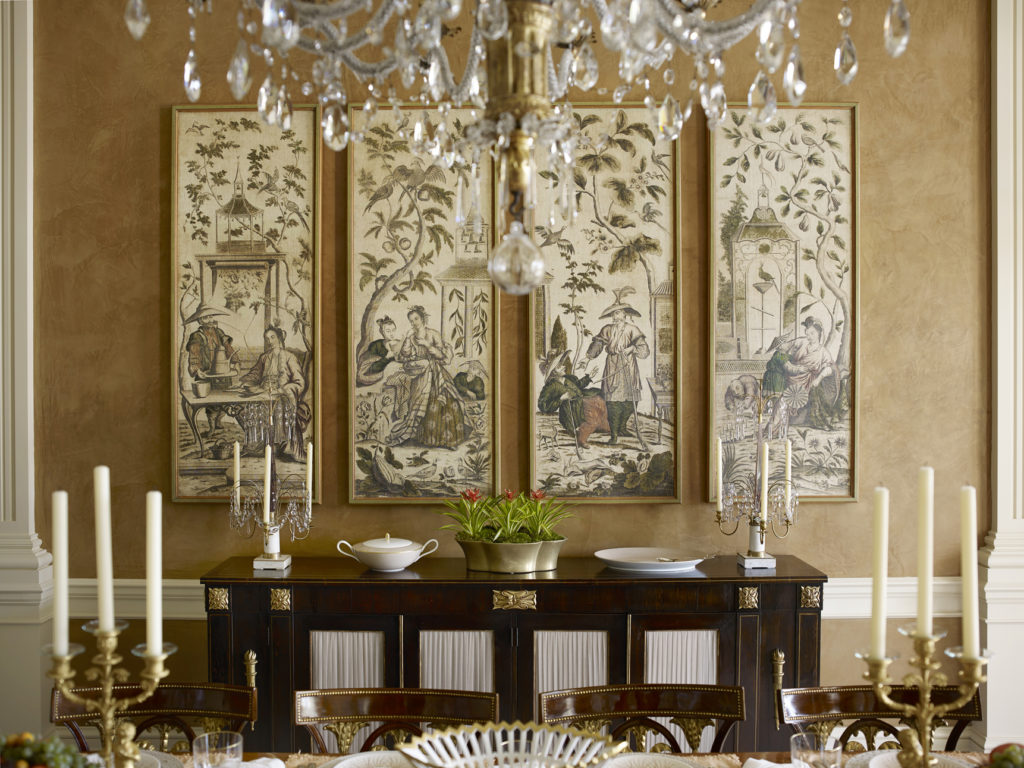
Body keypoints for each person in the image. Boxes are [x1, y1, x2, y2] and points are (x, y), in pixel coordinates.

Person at [388, 306, 468, 449]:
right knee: (418, 403)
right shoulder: (411, 337)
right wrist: (406, 339)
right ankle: (421, 438)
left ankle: (448, 441)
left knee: (445, 402)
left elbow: (443, 355)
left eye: (416, 319)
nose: (414, 323)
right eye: (411, 320)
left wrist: (427, 344)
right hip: (420, 374)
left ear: (423, 318)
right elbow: (405, 355)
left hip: (436, 373)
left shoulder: (433, 334)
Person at [586, 291, 650, 445]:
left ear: (625, 314)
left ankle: (622, 427)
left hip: (629, 367)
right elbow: (598, 343)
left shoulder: (632, 329)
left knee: (631, 401)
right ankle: (614, 434)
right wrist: (588, 356)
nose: (615, 316)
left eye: (618, 313)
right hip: (613, 366)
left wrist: (632, 349)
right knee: (613, 402)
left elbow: (644, 350)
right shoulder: (607, 329)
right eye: (613, 313)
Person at [762, 316, 845, 428]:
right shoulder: (801, 342)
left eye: (812, 333)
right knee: (784, 400)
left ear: (819, 333)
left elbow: (830, 368)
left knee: (790, 399)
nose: (809, 336)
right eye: (807, 333)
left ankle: (775, 427)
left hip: (809, 381)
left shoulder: (823, 352)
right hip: (792, 377)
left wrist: (819, 379)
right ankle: (773, 427)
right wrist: (787, 360)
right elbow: (782, 349)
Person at [241, 326, 309, 460]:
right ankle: (264, 445)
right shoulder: (264, 357)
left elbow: (299, 381)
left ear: (279, 338)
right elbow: (255, 374)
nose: (270, 341)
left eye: (272, 337)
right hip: (264, 391)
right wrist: (243, 381)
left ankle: (287, 446)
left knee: (279, 406)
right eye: (267, 339)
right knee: (252, 405)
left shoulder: (289, 357)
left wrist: (285, 389)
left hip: (282, 394)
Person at [184, 303, 238, 433]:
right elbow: (194, 353)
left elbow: (229, 349)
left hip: (222, 372)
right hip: (207, 373)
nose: (210, 320)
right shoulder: (197, 336)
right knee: (211, 403)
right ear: (200, 320)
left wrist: (235, 362)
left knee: (224, 399)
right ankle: (212, 427)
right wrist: (197, 370)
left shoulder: (219, 333)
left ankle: (219, 421)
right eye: (206, 317)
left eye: (211, 316)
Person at [356, 316, 402, 386]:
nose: (392, 334)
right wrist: (387, 358)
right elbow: (370, 369)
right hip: (377, 378)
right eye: (388, 331)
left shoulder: (400, 344)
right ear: (382, 332)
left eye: (393, 330)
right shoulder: (376, 345)